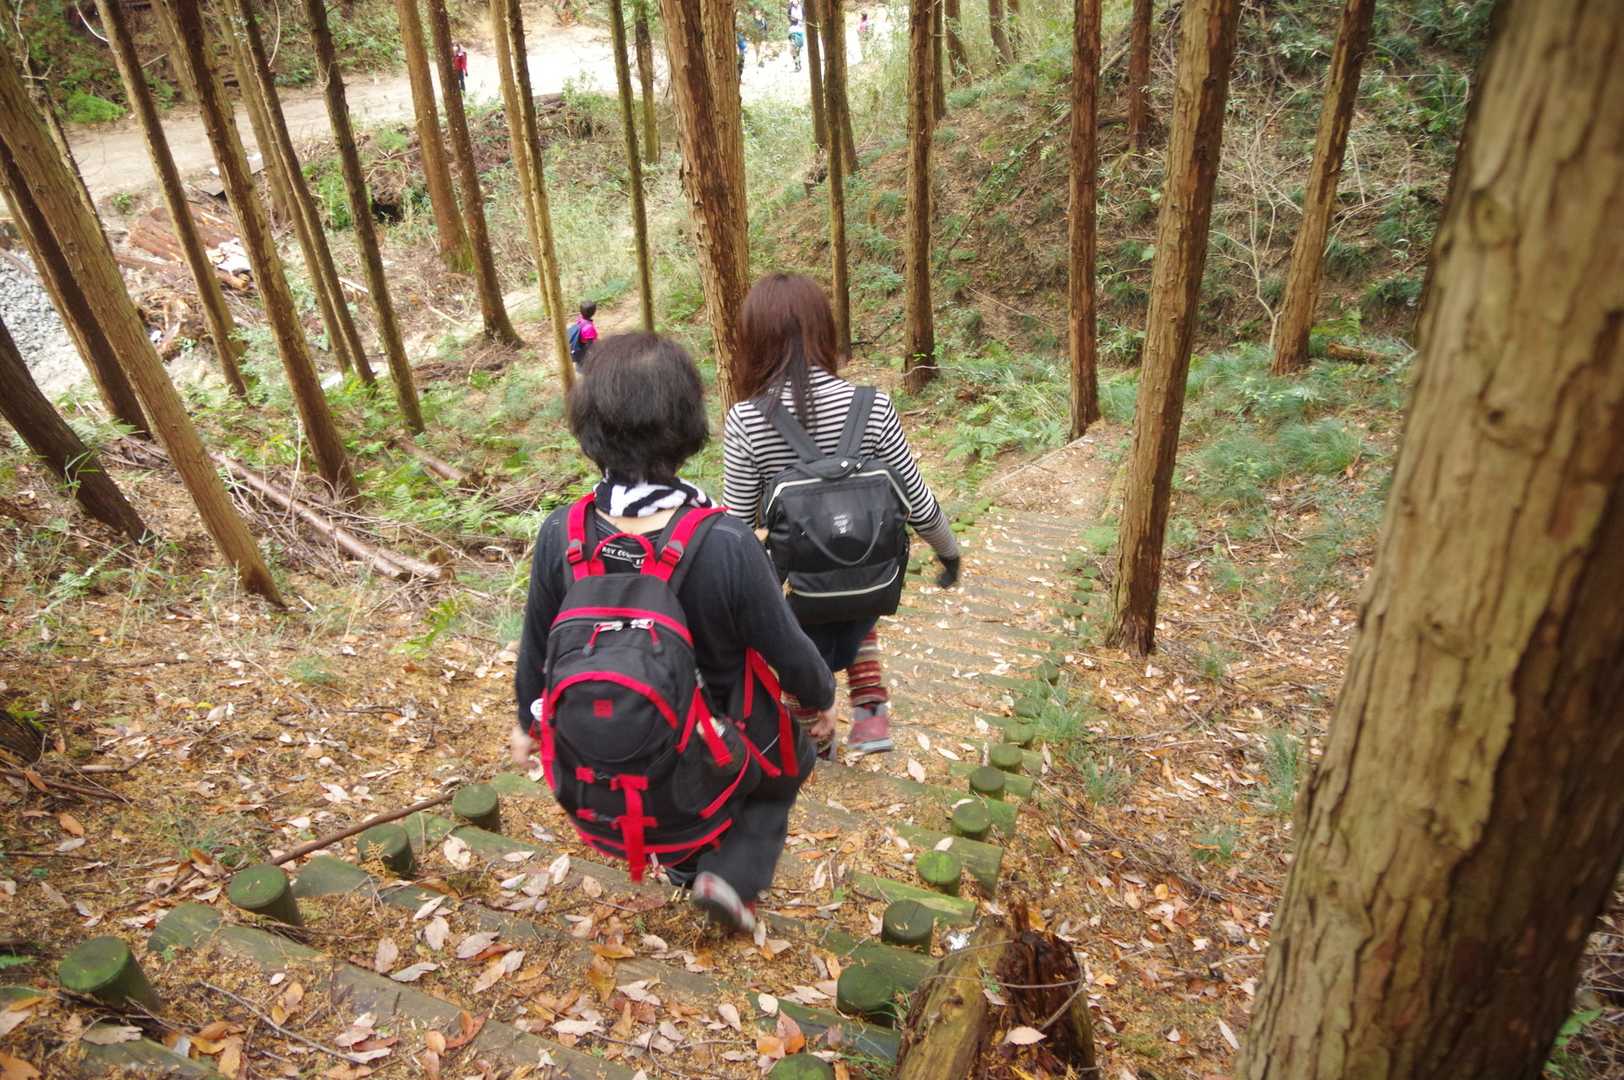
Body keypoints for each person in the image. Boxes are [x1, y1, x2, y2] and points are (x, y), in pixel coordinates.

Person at [513, 333, 834, 932]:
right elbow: (789, 650)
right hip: (717, 741)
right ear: (688, 427)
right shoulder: (726, 541)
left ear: (589, 429)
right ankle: (728, 876)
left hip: (611, 755)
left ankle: (685, 864)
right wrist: (820, 699)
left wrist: (527, 723)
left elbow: (536, 648)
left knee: (674, 777)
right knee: (791, 764)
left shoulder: (563, 533)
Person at [724, 274, 961, 757]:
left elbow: (738, 529)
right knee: (853, 576)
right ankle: (871, 712)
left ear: (753, 340)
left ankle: (814, 744)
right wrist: (949, 552)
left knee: (799, 645)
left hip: (796, 590)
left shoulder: (746, 420)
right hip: (870, 580)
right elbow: (914, 498)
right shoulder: (873, 406)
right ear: (824, 330)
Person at [567, 300, 598, 370]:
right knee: (584, 363)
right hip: (583, 348)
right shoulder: (589, 328)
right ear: (594, 312)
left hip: (578, 345)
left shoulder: (580, 318)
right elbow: (591, 345)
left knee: (580, 361)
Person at [786, 0, 804, 72]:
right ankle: (796, 65)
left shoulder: (801, 8)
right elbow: (789, 17)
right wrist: (793, 20)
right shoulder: (790, 9)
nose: (795, 1)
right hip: (793, 30)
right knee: (793, 49)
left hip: (799, 30)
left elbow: (804, 16)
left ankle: (799, 64)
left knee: (798, 50)